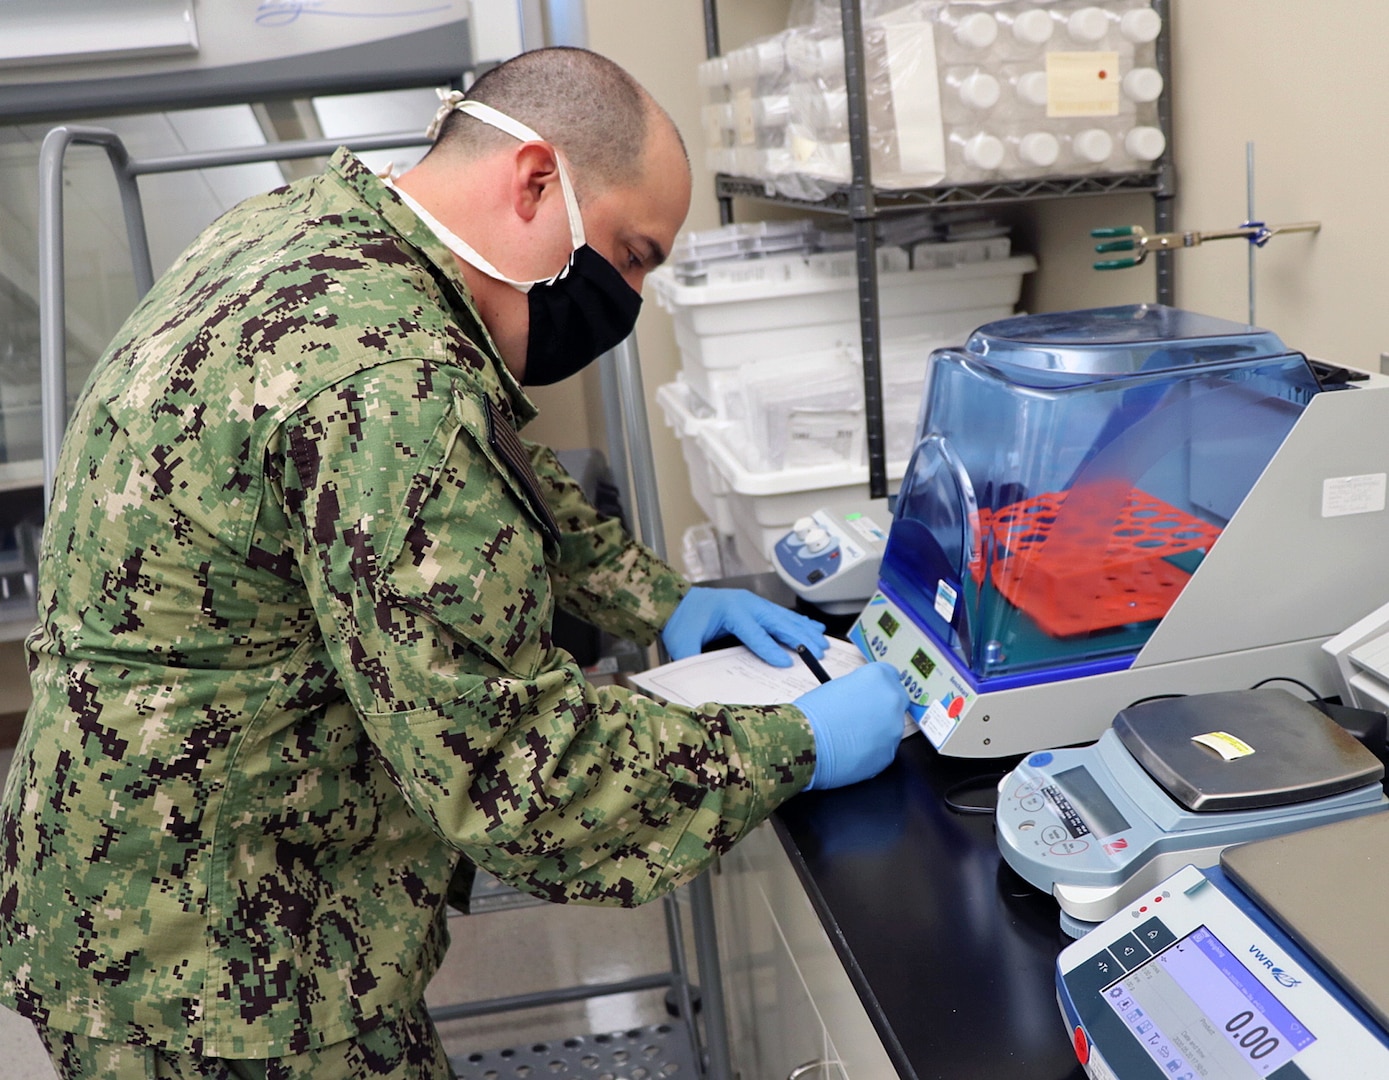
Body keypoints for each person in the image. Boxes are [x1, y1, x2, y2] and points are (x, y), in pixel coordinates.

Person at [0, 47, 907, 1079]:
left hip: (123, 874)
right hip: (223, 963)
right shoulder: (391, 387)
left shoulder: (317, 231)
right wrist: (793, 743)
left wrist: (660, 595)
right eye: (634, 253)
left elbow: (487, 455)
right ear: (535, 183)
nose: (632, 294)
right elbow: (525, 780)